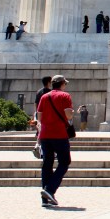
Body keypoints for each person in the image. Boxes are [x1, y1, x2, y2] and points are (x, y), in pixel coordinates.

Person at [36, 74, 74, 207]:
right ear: (62, 84)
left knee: (47, 163)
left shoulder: (44, 97)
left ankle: (45, 199)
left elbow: (39, 117)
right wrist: (72, 113)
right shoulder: (65, 96)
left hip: (45, 135)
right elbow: (69, 115)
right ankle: (49, 190)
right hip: (59, 134)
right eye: (65, 84)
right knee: (64, 162)